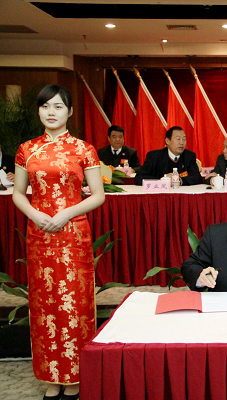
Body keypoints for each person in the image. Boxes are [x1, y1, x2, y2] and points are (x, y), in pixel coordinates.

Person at [12, 84, 105, 400]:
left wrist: (66, 213)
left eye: (58, 106)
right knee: (45, 305)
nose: (50, 112)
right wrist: (35, 215)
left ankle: (75, 376)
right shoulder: (26, 149)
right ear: (39, 110)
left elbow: (97, 195)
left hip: (73, 233)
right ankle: (51, 376)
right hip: (39, 234)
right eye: (45, 106)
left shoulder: (83, 149)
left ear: (70, 111)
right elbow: (18, 193)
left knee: (75, 304)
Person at [134, 126, 202, 185]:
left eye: (184, 139)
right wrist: (163, 180)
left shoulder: (189, 156)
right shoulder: (154, 156)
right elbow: (139, 178)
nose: (181, 142)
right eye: (178, 139)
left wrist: (178, 180)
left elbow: (197, 177)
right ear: (167, 141)